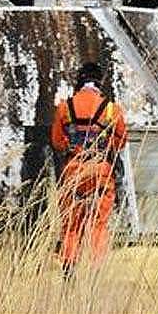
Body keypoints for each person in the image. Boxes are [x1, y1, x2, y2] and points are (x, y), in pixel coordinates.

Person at [50, 62, 128, 277]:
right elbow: (120, 142)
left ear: (80, 81)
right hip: (101, 174)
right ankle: (97, 272)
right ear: (100, 82)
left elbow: (58, 142)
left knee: (71, 225)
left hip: (74, 173)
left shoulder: (65, 107)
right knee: (98, 225)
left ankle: (68, 270)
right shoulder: (112, 109)